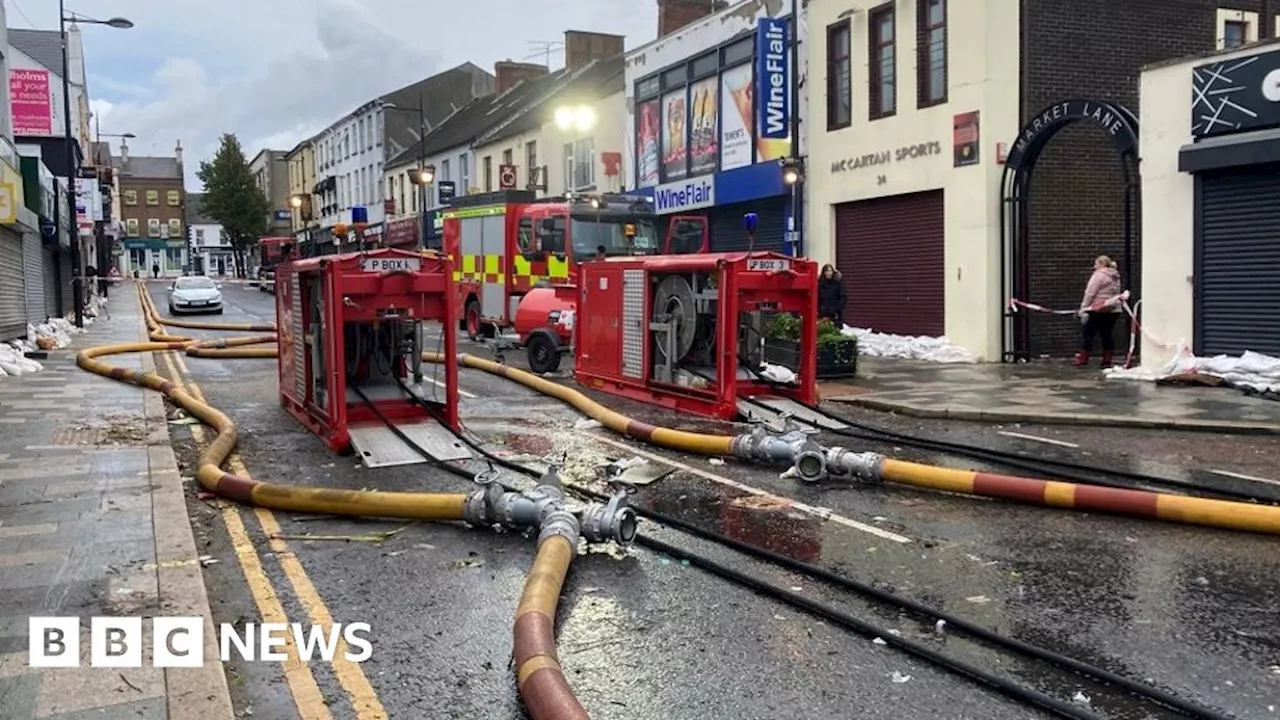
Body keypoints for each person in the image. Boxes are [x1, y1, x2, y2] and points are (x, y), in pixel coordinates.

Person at [1073, 255, 1123, 368]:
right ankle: (1107, 360)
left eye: (1096, 264)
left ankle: (1083, 359)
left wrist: (1083, 307)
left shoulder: (1099, 275)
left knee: (1088, 333)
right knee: (1107, 334)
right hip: (1113, 310)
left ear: (1101, 264)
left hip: (1096, 309)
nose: (1094, 266)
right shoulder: (1115, 275)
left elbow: (1090, 293)